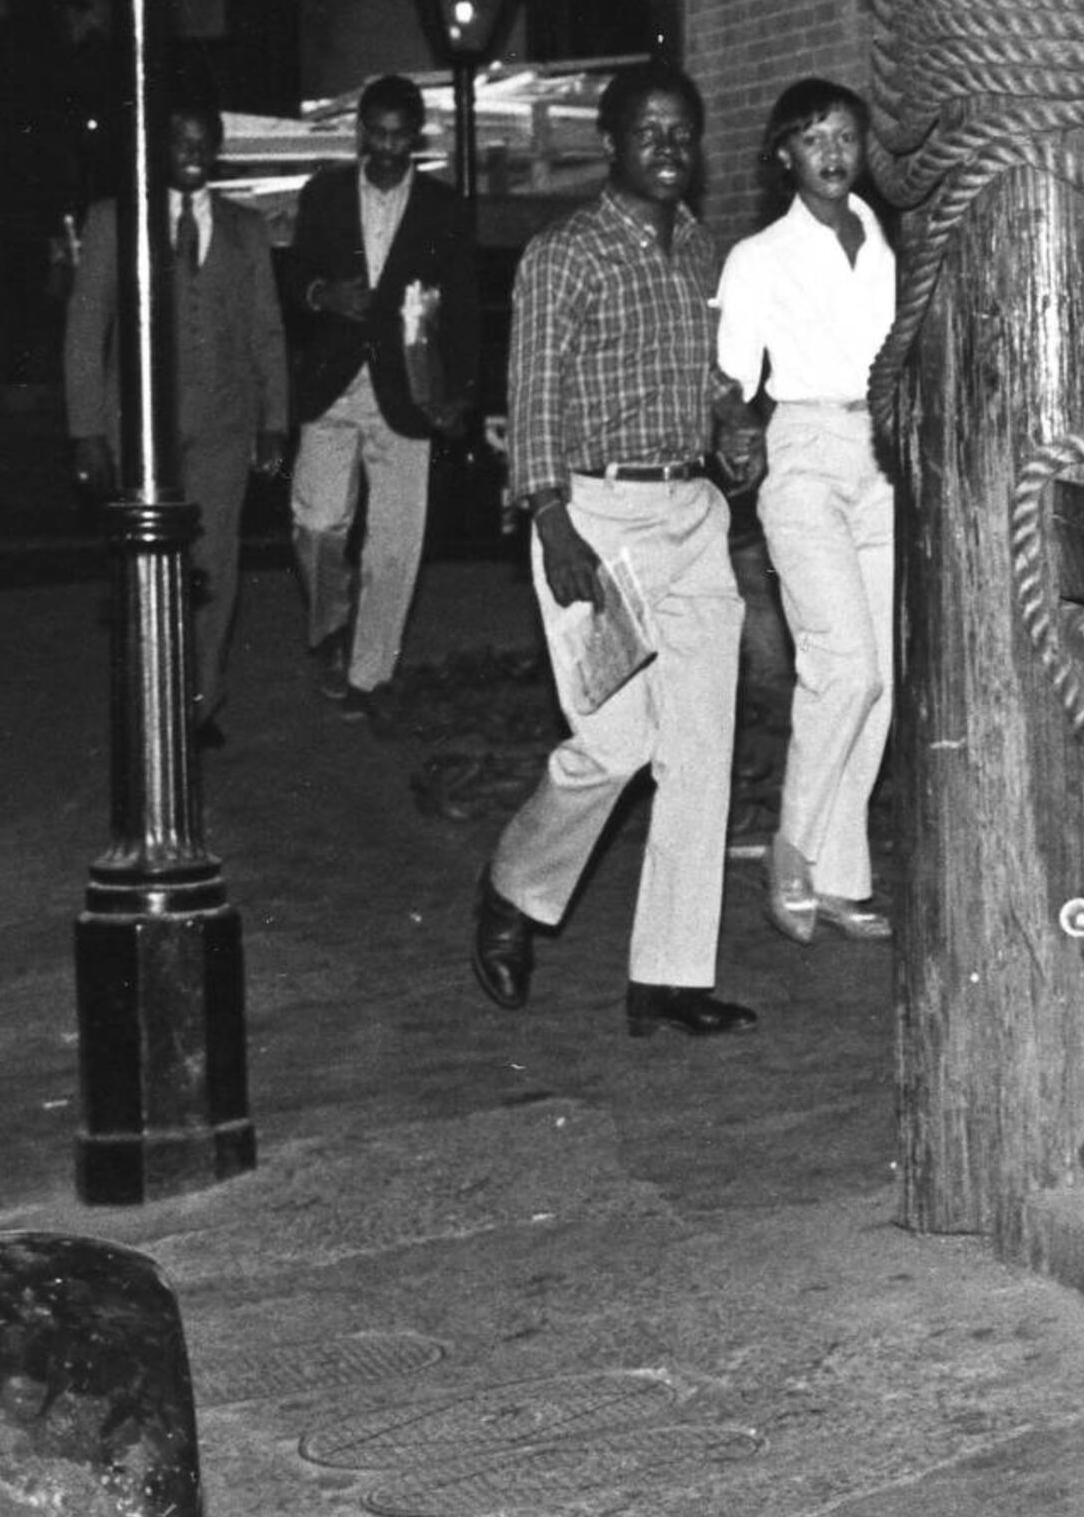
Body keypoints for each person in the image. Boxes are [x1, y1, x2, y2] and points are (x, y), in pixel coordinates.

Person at [474, 68, 755, 1037]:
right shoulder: (565, 253)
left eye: (684, 132)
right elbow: (532, 393)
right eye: (649, 132)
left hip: (693, 516)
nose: (669, 148)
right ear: (611, 142)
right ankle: (513, 885)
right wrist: (552, 522)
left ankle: (669, 980)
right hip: (599, 523)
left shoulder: (702, 250)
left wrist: (733, 421)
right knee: (615, 742)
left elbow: (710, 377)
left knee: (702, 752)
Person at [713, 78, 900, 942]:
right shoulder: (758, 256)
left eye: (846, 137)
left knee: (878, 682)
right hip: (804, 454)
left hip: (882, 459)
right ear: (785, 153)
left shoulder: (882, 239)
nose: (833, 152)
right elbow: (731, 379)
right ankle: (791, 847)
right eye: (814, 137)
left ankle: (838, 878)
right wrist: (733, 425)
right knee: (844, 666)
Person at [63, 101, 287, 746]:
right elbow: (85, 329)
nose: (191, 152)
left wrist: (274, 421)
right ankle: (148, 701)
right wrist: (86, 432)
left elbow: (267, 330)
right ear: (157, 148)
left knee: (214, 563)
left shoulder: (247, 228)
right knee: (144, 566)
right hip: (138, 429)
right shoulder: (115, 219)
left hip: (224, 424)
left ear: (217, 150)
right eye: (179, 140)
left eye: (202, 142)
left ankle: (199, 703)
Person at [285, 75, 480, 714]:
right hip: (332, 388)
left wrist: (459, 392)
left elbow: (464, 307)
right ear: (361, 132)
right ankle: (331, 624)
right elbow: (293, 275)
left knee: (394, 546)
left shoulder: (444, 207)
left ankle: (368, 676)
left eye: (401, 137)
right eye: (379, 134)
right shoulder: (324, 193)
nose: (390, 148)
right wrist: (322, 295)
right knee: (316, 524)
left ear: (416, 135)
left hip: (408, 393)